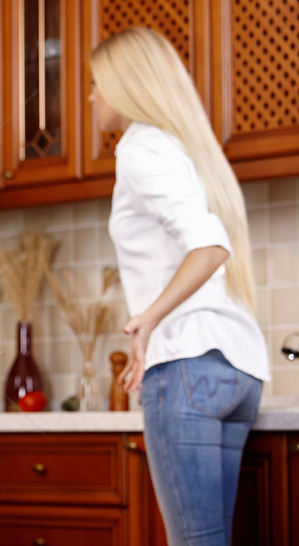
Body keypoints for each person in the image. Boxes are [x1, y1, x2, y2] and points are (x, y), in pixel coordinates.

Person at [89, 27, 271, 545]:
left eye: (97, 82)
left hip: (188, 368)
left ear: (125, 85)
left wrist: (148, 319)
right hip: (237, 371)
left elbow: (210, 245)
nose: (91, 95)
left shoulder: (139, 149)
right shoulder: (189, 151)